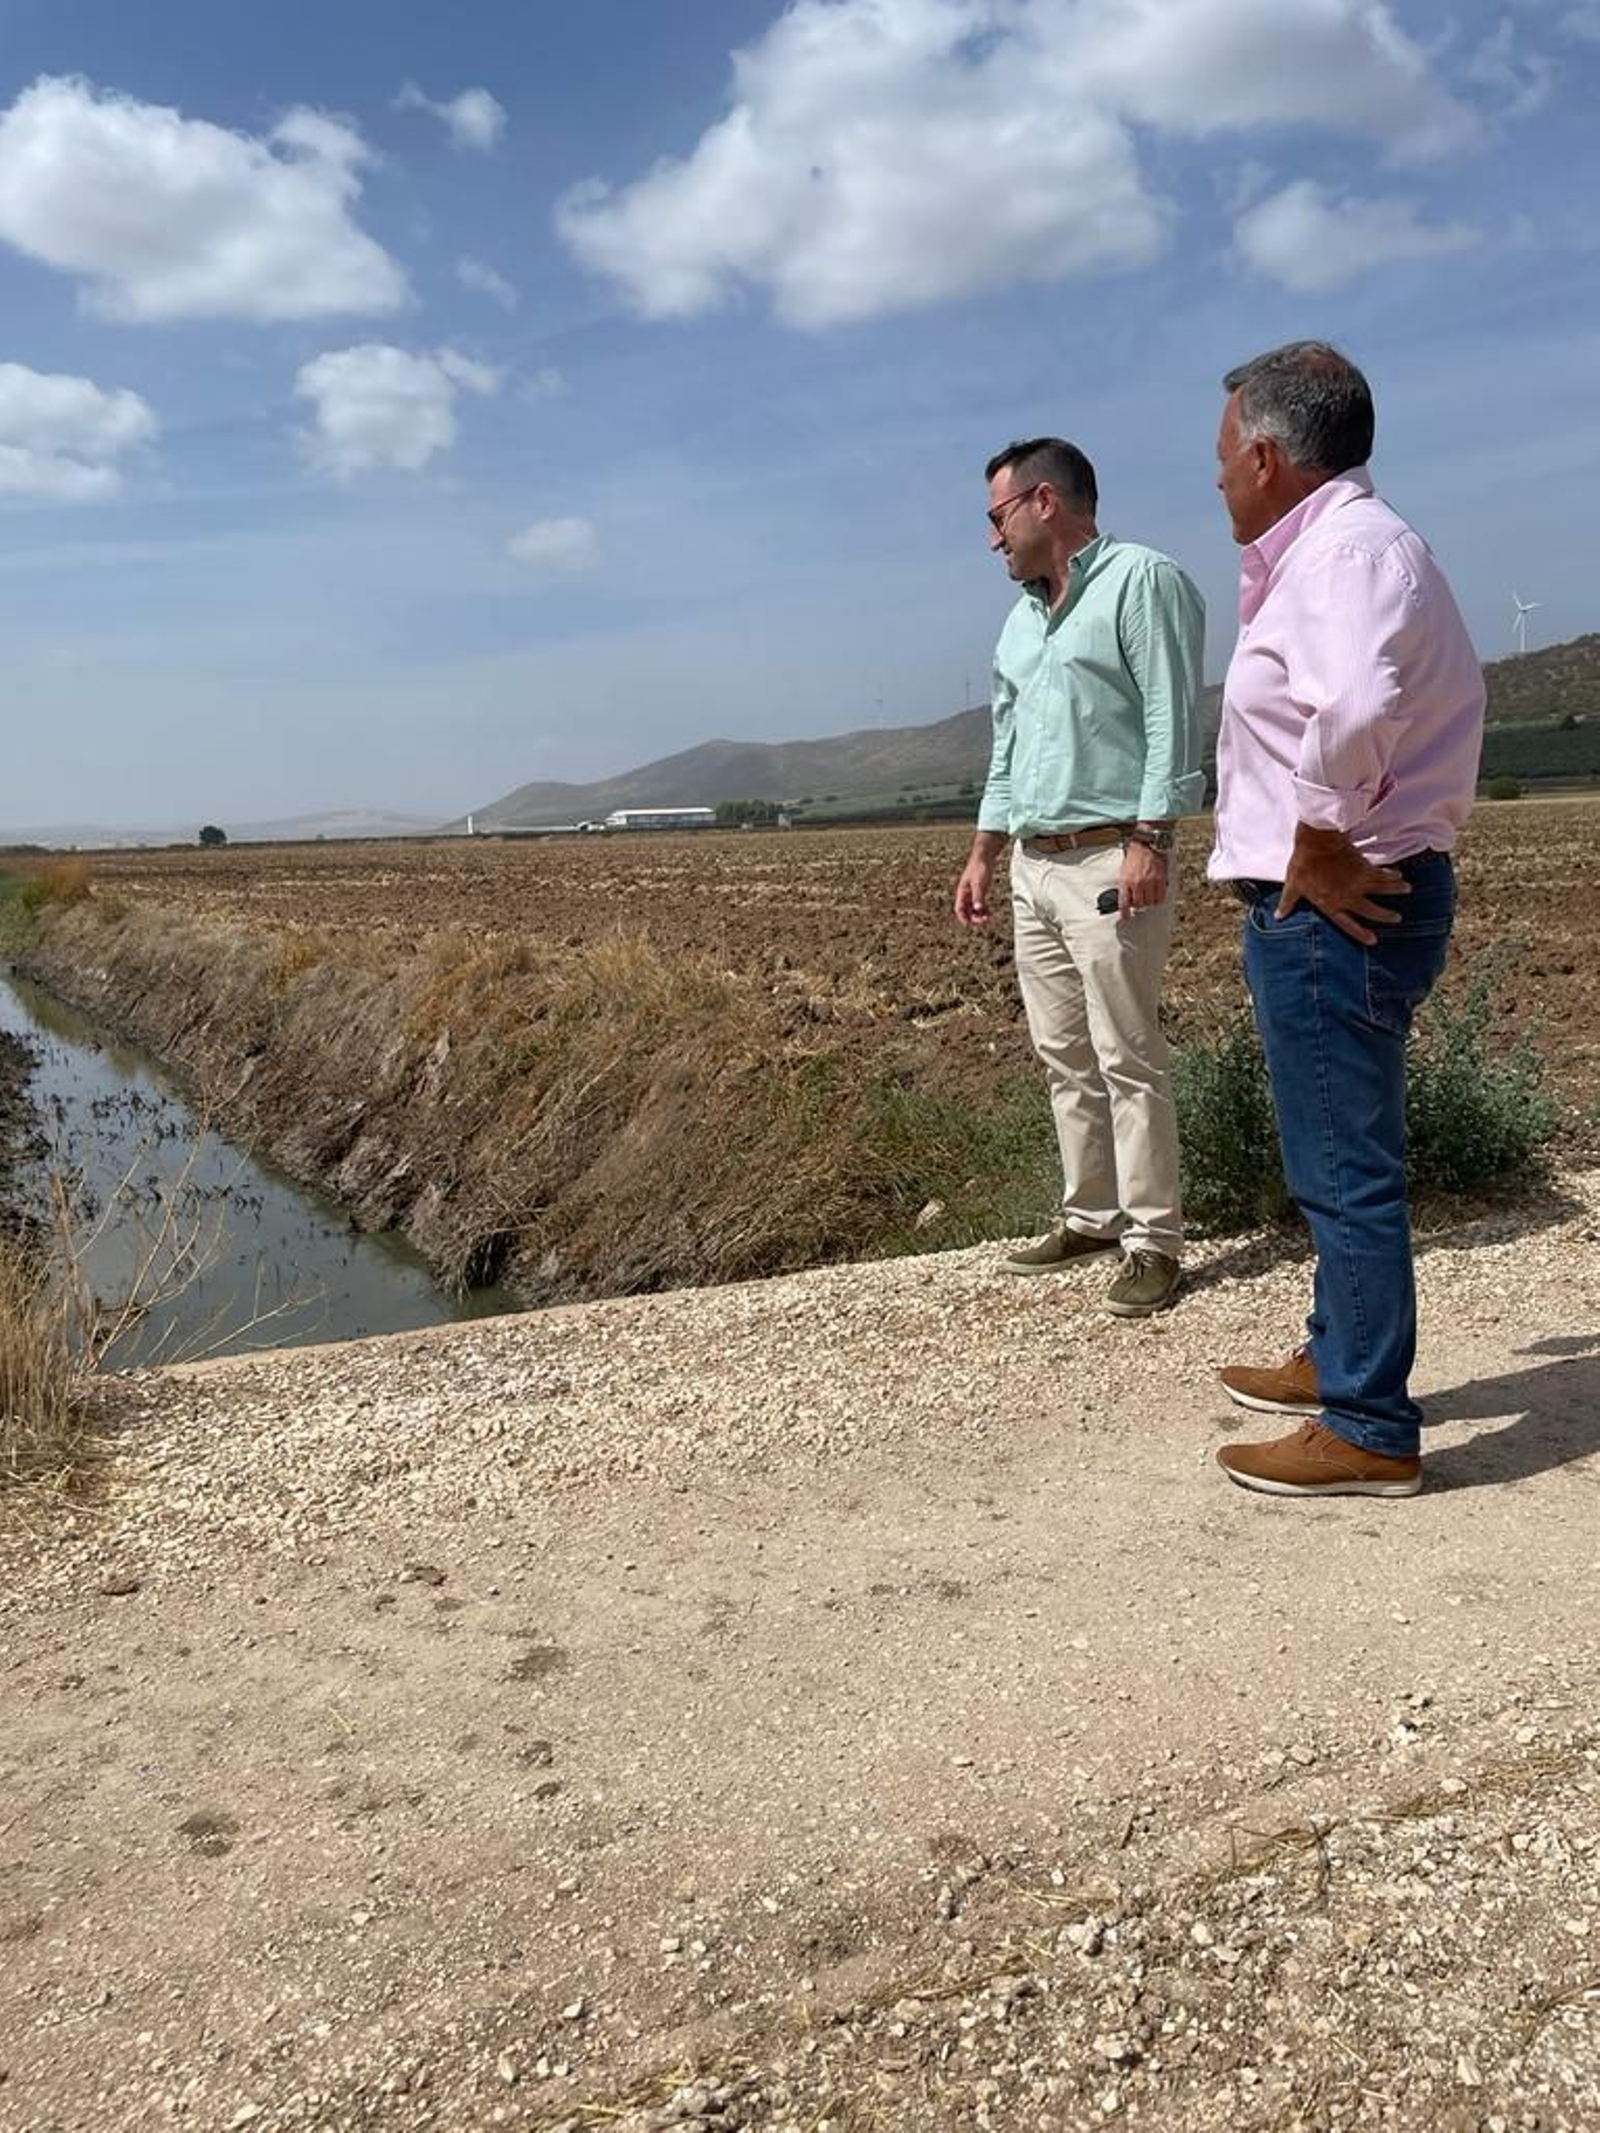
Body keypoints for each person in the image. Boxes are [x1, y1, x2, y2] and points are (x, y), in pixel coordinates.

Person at [1208, 342, 1485, 1497]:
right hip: (1344, 894)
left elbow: (1360, 702)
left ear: (1267, 457)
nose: (1218, 481)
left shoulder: (1346, 554)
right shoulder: (1341, 551)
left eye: (1222, 460)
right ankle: (1337, 1356)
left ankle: (1370, 1425)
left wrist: (1315, 829)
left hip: (1340, 898)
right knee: (1334, 1147)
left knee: (1345, 1166)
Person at [955, 438, 1204, 1317]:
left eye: (997, 516)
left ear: (1044, 502)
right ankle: (1091, 1213)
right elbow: (1007, 747)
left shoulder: (1142, 581)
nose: (992, 538)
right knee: (1062, 1050)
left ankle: (1152, 1240)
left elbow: (1174, 716)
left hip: (1109, 853)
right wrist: (986, 851)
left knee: (1126, 1051)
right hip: (1034, 860)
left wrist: (1152, 837)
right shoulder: (1019, 624)